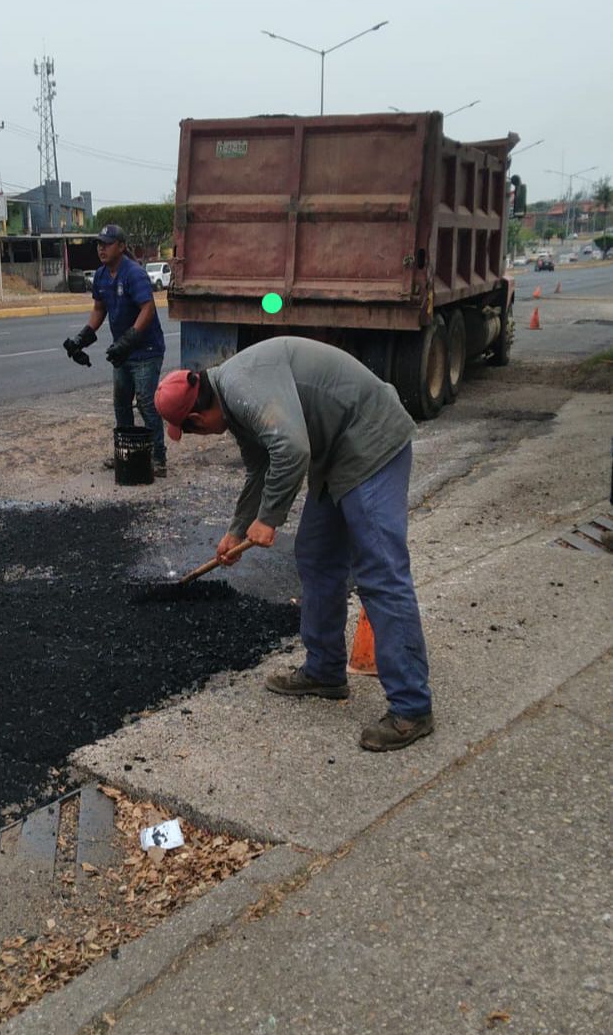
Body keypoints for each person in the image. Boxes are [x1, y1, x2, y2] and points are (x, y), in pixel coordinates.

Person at [154, 336, 434, 752]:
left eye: (192, 431)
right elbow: (260, 468)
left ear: (197, 415)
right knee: (317, 556)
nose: (203, 436)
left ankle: (412, 707)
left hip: (371, 440)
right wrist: (236, 530)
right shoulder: (233, 400)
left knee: (379, 570)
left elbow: (292, 448)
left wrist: (269, 521)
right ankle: (324, 671)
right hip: (335, 452)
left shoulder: (243, 388)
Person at [63, 223, 167, 476]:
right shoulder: (100, 275)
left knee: (145, 402)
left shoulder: (134, 274)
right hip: (123, 352)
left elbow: (148, 309)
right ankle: (127, 453)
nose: (101, 248)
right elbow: (100, 309)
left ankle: (158, 458)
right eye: (99, 244)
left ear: (121, 247)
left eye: (107, 244)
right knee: (121, 403)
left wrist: (129, 339)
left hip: (146, 350)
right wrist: (82, 338)